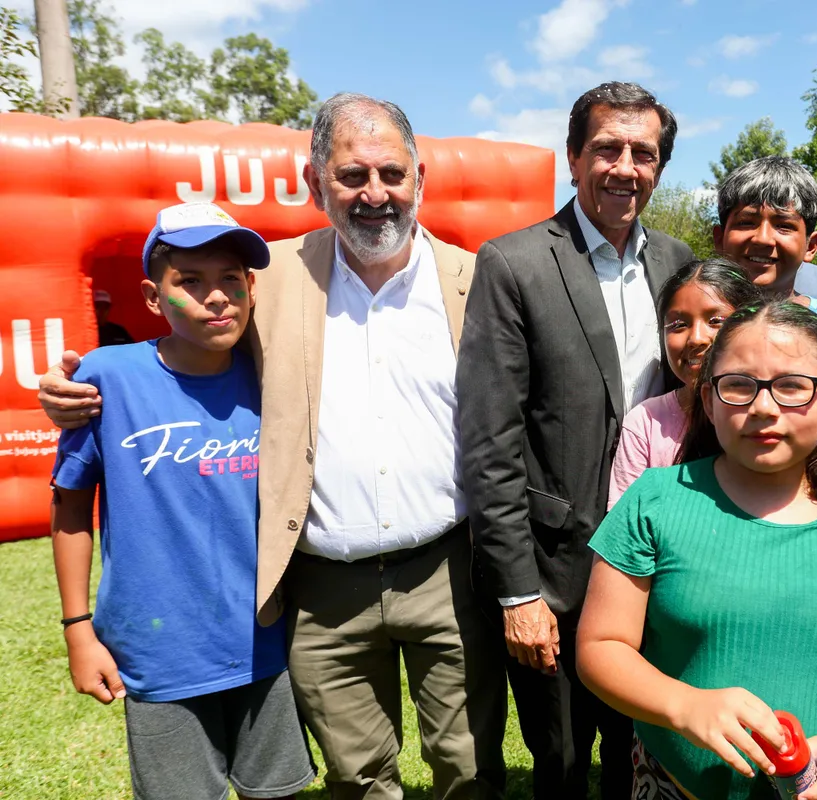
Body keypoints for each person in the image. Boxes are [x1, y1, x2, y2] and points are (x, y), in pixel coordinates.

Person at [39, 93, 507, 800]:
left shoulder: (478, 280)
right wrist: (74, 387)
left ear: (421, 178)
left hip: (449, 570)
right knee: (358, 778)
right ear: (315, 182)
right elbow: (181, 344)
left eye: (390, 173)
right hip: (320, 585)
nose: (374, 193)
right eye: (352, 175)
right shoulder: (271, 277)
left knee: (467, 769)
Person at [578, 300, 817, 800]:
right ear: (710, 400)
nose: (763, 406)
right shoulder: (654, 501)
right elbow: (600, 648)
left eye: (792, 386)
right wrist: (685, 705)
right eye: (738, 385)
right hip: (673, 787)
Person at [457, 81, 695, 799]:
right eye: (607, 149)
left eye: (643, 153)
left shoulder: (676, 263)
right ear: (572, 157)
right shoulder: (515, 263)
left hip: (658, 570)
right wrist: (517, 593)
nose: (625, 167)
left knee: (640, 758)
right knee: (560, 767)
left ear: (659, 167)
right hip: (555, 575)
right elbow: (489, 439)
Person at [50, 203, 315, 800]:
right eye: (189, 282)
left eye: (229, 280)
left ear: (251, 289)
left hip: (265, 644)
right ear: (151, 296)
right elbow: (69, 505)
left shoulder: (271, 373)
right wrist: (77, 630)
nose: (214, 297)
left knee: (278, 791)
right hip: (159, 653)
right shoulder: (107, 378)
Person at [608, 257, 762, 507]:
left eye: (716, 321)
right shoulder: (645, 424)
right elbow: (624, 531)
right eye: (678, 324)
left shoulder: (773, 413)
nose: (697, 339)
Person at [711, 155, 817, 304]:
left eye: (784, 226)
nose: (763, 239)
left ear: (810, 246)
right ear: (720, 239)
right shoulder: (692, 324)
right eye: (746, 223)